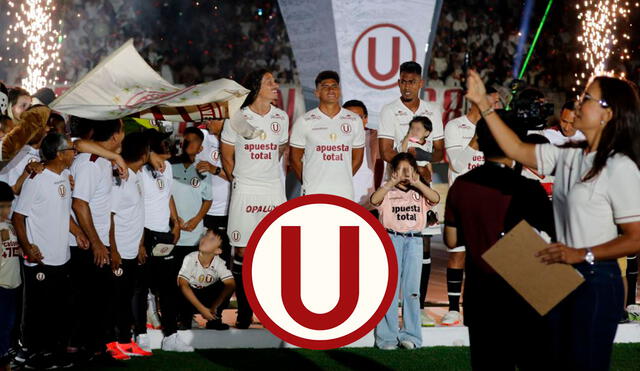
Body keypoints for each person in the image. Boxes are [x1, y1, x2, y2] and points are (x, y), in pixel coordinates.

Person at [466, 69, 640, 370]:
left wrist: (582, 253)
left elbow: (635, 237)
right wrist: (484, 105)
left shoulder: (620, 166)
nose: (578, 103)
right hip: (560, 276)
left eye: (587, 98)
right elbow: (516, 149)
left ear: (607, 114)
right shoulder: (569, 155)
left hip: (597, 281)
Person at [444, 119, 556, 370]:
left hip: (481, 297)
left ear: (480, 142)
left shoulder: (461, 186)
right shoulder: (529, 188)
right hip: (527, 296)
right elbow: (553, 243)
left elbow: (452, 240)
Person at [377, 62, 444, 327]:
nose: (407, 86)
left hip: (422, 186)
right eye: (403, 81)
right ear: (398, 83)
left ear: (420, 83)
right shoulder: (389, 110)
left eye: (412, 82)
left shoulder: (432, 111)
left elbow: (439, 151)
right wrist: (405, 168)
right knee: (392, 243)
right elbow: (384, 151)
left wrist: (420, 163)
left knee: (423, 242)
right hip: (396, 185)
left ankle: (420, 308)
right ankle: (389, 310)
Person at [221, 69, 289, 328]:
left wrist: (266, 171)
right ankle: (245, 311)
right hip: (245, 189)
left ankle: (270, 309)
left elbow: (280, 149)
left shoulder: (281, 117)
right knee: (243, 250)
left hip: (272, 189)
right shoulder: (237, 117)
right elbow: (227, 154)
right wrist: (237, 180)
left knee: (271, 250)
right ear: (256, 87)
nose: (275, 85)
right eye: (269, 81)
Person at [12, 133, 77, 369]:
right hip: (41, 258)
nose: (74, 152)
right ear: (59, 154)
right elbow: (19, 217)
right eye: (71, 149)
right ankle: (31, 355)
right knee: (37, 311)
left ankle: (51, 352)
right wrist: (28, 247)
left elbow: (63, 211)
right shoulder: (36, 180)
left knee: (57, 309)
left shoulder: (66, 175)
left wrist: (78, 232)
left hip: (62, 256)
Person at [68, 119, 125, 363]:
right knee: (88, 300)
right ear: (114, 136)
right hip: (85, 245)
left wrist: (109, 245)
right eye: (122, 130)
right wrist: (97, 243)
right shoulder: (90, 163)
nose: (124, 135)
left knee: (99, 299)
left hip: (97, 241)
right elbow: (79, 203)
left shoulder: (102, 161)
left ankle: (93, 347)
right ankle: (85, 349)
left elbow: (103, 208)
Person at [371, 152, 440, 350]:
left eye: (408, 170)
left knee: (412, 291)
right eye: (400, 170)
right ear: (393, 171)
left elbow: (435, 198)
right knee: (390, 290)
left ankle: (411, 336)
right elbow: (374, 201)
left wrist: (418, 183)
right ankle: (387, 338)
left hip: (414, 241)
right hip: (392, 239)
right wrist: (389, 184)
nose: (404, 174)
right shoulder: (387, 192)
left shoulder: (420, 191)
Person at [135, 128, 191, 352]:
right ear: (150, 149)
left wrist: (175, 222)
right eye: (163, 145)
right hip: (144, 233)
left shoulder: (166, 168)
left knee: (168, 288)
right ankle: (140, 334)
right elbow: (135, 206)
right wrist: (138, 243)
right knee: (140, 288)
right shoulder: (139, 172)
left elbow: (167, 195)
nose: (168, 147)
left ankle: (171, 336)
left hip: (164, 234)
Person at [107, 132, 152, 358]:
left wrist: (141, 244)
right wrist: (113, 250)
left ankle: (125, 341)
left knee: (126, 297)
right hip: (120, 252)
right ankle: (116, 344)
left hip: (132, 249)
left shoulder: (135, 176)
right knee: (119, 300)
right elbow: (110, 216)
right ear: (143, 154)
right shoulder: (122, 180)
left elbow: (137, 213)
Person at [290, 70, 365, 200]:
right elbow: (294, 159)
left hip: (344, 192)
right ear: (316, 93)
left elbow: (357, 158)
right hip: (313, 191)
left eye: (334, 86)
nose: (331, 90)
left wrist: (343, 178)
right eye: (325, 86)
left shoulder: (354, 120)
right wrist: (308, 182)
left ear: (340, 91)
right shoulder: (304, 121)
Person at [178, 230, 236, 331]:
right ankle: (184, 320)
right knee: (180, 287)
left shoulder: (219, 262)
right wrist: (202, 310)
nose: (205, 239)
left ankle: (214, 319)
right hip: (190, 299)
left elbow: (231, 284)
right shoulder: (190, 258)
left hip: (207, 300)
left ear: (218, 251)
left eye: (211, 239)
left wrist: (215, 305)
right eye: (205, 236)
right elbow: (183, 285)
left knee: (225, 286)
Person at [343, 100, 379, 209]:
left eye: (358, 117)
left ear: (365, 119)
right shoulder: (331, 139)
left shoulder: (375, 138)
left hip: (367, 205)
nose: (353, 121)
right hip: (340, 203)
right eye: (348, 117)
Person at [0, 182, 18, 371]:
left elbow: (12, 250)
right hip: (1, 284)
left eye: (8, 206)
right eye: (1, 207)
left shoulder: (10, 224)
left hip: (13, 283)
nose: (6, 210)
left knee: (8, 325)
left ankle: (5, 358)